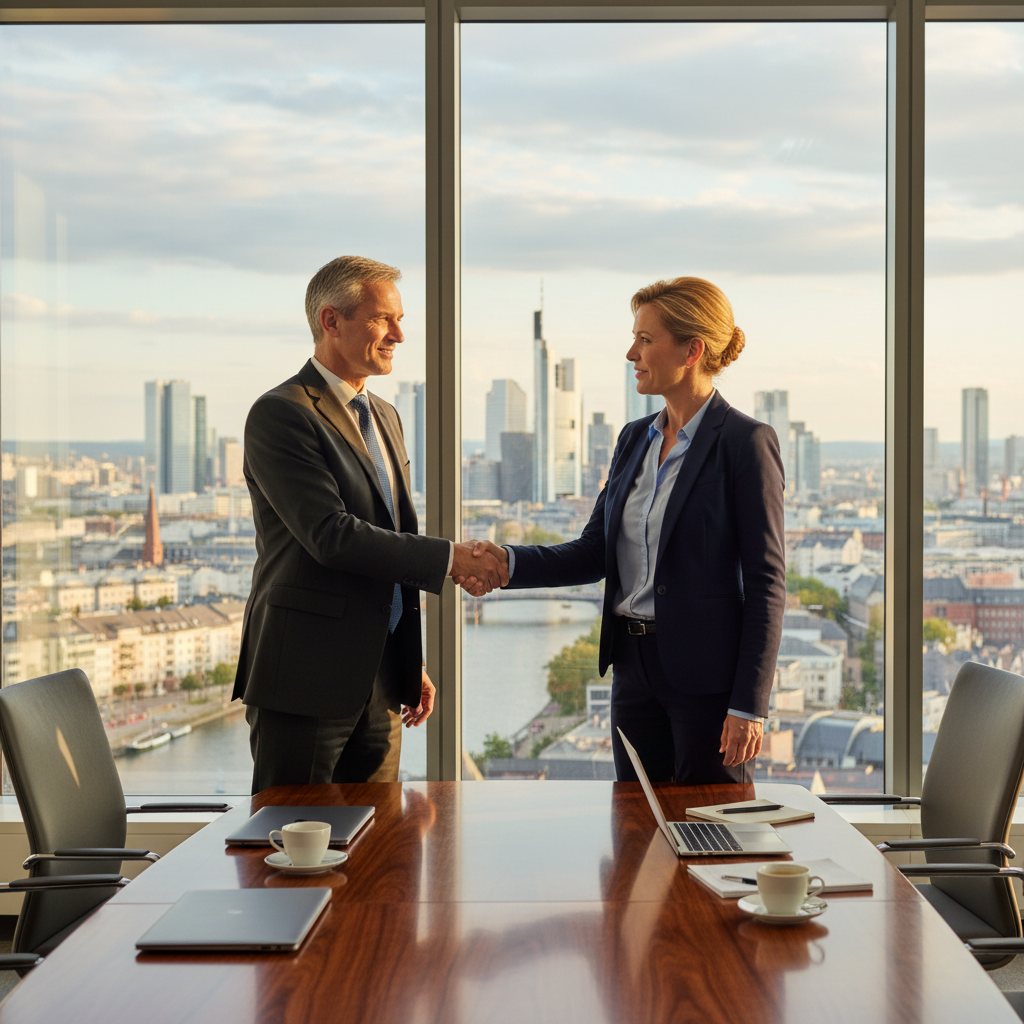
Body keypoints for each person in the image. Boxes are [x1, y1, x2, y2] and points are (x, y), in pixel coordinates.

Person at [461, 277, 786, 784]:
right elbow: (595, 552)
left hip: (706, 682)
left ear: (691, 350)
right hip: (632, 671)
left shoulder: (746, 442)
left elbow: (767, 583)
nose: (631, 352)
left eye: (645, 339)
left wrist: (750, 705)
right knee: (635, 835)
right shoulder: (635, 438)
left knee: (709, 831)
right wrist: (507, 562)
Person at [234, 255, 507, 793]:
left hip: (382, 683)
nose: (399, 335)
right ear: (331, 320)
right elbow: (330, 536)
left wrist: (409, 662)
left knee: (381, 853)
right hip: (305, 680)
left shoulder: (384, 414)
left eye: (399, 320)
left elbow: (393, 533)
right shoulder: (282, 413)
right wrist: (453, 557)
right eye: (384, 319)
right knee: (294, 849)